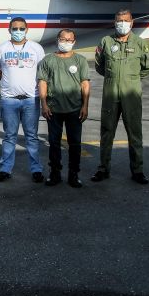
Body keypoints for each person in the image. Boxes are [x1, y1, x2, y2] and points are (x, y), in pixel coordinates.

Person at [92, 9, 149, 184]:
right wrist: (115, 78)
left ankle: (137, 170)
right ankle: (103, 169)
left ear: (132, 22)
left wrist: (130, 78)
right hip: (110, 94)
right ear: (114, 22)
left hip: (131, 94)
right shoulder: (106, 41)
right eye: (119, 20)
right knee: (106, 133)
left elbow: (148, 67)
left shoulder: (140, 43)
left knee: (135, 133)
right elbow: (99, 66)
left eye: (126, 20)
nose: (122, 23)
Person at [0, 17, 46, 182]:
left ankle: (36, 169)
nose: (18, 31)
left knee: (31, 136)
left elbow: (42, 72)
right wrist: (7, 79)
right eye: (15, 28)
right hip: (9, 100)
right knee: (9, 136)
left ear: (27, 29)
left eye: (21, 28)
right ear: (9, 30)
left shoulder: (36, 48)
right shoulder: (1, 48)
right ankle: (5, 169)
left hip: (31, 99)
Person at [38, 29, 90, 188]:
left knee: (75, 144)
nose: (66, 42)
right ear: (57, 40)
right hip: (54, 109)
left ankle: (73, 175)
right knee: (54, 144)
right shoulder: (48, 60)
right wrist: (44, 104)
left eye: (69, 40)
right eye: (63, 39)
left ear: (74, 42)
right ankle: (55, 173)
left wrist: (85, 106)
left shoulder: (80, 60)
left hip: (75, 109)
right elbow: (42, 82)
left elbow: (85, 84)